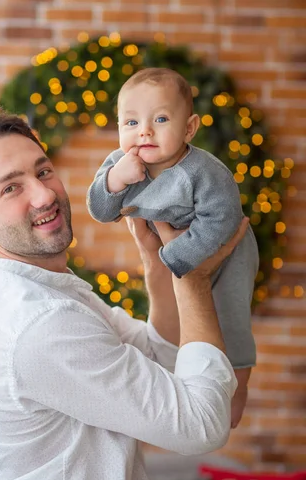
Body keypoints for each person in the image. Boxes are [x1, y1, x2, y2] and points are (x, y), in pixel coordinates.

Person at [0, 108, 306, 480]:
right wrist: (192, 276)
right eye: (11, 187)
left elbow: (163, 357)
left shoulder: (49, 289)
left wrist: (158, 264)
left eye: (43, 171)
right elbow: (202, 426)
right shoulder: (40, 323)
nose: (43, 194)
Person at [87, 67, 259, 429]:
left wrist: (175, 257)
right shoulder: (120, 164)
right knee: (185, 324)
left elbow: (222, 220)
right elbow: (101, 211)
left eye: (160, 119)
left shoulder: (203, 172)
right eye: (130, 122)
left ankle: (238, 389)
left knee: (229, 319)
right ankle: (198, 386)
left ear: (189, 128)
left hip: (228, 252)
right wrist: (116, 181)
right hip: (175, 256)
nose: (143, 131)